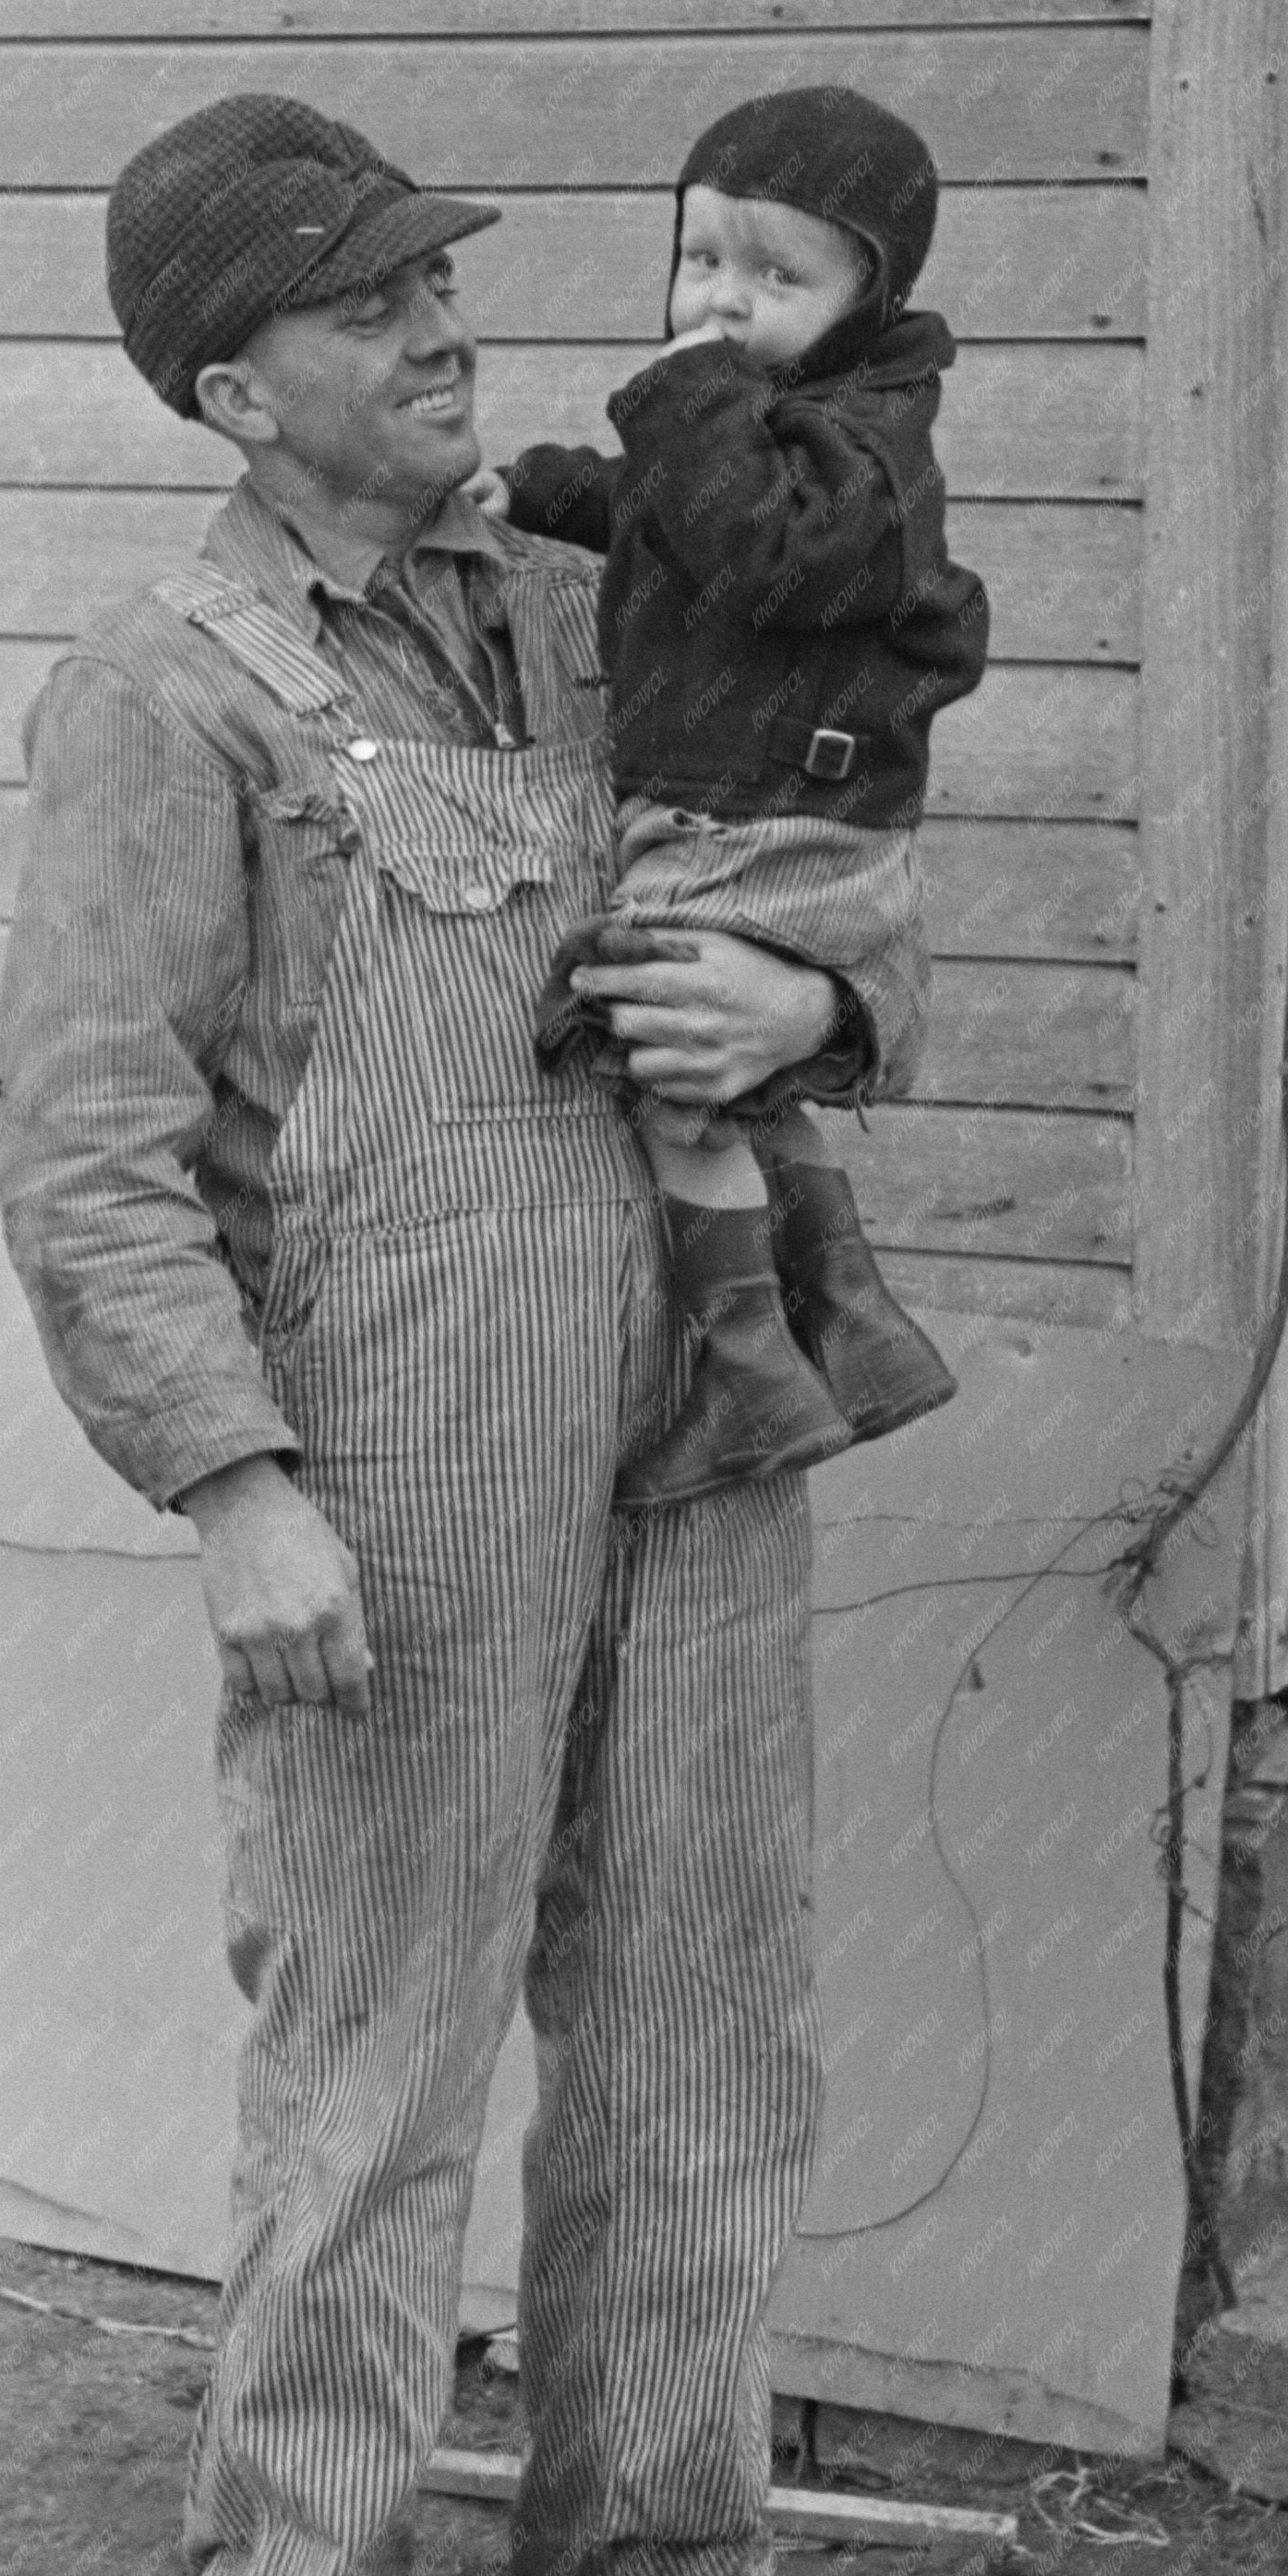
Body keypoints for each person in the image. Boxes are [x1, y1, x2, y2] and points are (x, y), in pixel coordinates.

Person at [0, 95, 932, 2576]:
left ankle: (662, 2569)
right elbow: (84, 1147)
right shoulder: (164, 700)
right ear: (226, 390)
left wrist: (826, 1017)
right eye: (364, 296)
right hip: (399, 1452)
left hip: (700, 1400)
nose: (438, 322)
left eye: (438, 275)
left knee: (697, 2043)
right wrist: (233, 1484)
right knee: (374, 2063)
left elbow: (855, 852)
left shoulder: (612, 582)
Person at [488, 83, 989, 1509]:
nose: (721, 303)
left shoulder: (867, 445)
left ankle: (750, 1374)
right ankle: (858, 1332)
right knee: (748, 1084)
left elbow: (761, 551)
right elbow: (669, 515)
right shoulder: (771, 421)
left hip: (765, 811)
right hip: (759, 801)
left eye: (779, 275)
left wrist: (681, 389)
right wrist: (541, 489)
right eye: (702, 258)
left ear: (869, 295)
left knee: (669, 1072)